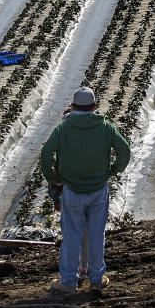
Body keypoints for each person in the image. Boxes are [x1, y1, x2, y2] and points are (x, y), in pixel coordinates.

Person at [40, 87, 130, 293]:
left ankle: (68, 282)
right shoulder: (105, 126)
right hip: (99, 190)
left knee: (72, 236)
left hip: (73, 191)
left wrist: (54, 178)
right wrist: (113, 171)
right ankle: (96, 277)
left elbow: (46, 154)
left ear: (73, 107)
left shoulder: (63, 129)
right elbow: (124, 150)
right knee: (96, 235)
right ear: (94, 107)